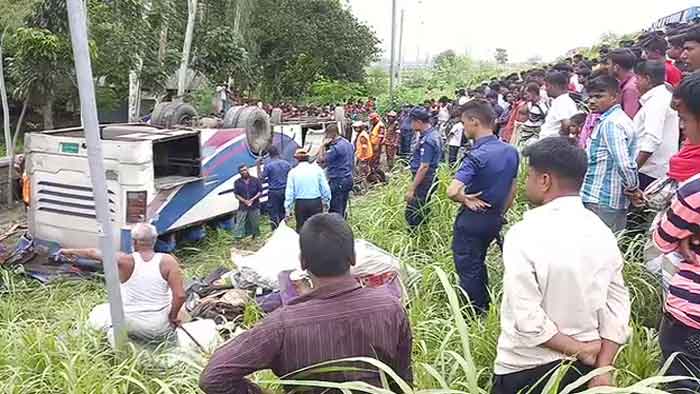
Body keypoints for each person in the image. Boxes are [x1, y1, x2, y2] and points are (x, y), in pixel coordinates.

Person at [199, 214, 413, 394]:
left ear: (302, 262)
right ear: (353, 257)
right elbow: (402, 380)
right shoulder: (391, 308)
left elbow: (213, 377)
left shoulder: (281, 324)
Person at [493, 138, 631, 394]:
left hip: (526, 367)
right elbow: (618, 307)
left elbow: (527, 319)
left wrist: (581, 350)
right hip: (584, 369)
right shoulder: (601, 232)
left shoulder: (524, 234)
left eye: (530, 175)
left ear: (545, 181)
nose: (526, 182)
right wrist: (603, 368)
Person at [446, 99, 519, 314]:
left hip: (472, 220)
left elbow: (452, 190)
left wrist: (465, 199)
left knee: (468, 266)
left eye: (465, 123)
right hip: (494, 218)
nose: (464, 128)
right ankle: (485, 305)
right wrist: (499, 212)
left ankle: (473, 313)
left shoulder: (476, 156)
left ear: (475, 122)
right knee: (479, 262)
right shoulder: (511, 151)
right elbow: (512, 189)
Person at [59, 223, 186, 343]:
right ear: (155, 240)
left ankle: (74, 336)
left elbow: (92, 252)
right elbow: (180, 296)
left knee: (98, 312)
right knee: (168, 295)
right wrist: (173, 317)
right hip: (159, 327)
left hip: (131, 323)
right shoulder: (168, 261)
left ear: (134, 242)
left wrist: (68, 251)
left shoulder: (124, 260)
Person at [653, 75, 700, 392]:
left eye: (684, 119)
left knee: (681, 383)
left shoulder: (694, 190)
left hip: (690, 314)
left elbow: (661, 238)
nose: (682, 128)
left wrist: (687, 233)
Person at [581, 75, 639, 233]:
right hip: (604, 198)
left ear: (615, 97)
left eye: (599, 96)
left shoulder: (611, 123)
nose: (592, 101)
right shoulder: (610, 120)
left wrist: (633, 189)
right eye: (590, 96)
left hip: (602, 198)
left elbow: (624, 163)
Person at [633, 60, 680, 191]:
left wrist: (632, 170)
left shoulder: (657, 101)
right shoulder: (662, 96)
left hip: (650, 171)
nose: (635, 83)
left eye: (637, 78)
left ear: (647, 78)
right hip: (653, 168)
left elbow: (652, 139)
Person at [405, 107, 442, 229]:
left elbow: (424, 166)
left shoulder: (428, 140)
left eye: (412, 122)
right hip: (426, 178)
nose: (410, 125)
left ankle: (416, 238)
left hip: (424, 180)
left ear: (419, 122)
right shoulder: (433, 134)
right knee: (421, 209)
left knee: (414, 213)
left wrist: (412, 188)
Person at [284, 149, 331, 232]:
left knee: (302, 228)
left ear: (297, 159)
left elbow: (290, 193)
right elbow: (325, 188)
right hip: (315, 202)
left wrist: (288, 209)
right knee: (317, 227)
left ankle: (303, 244)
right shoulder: (317, 170)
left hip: (301, 204)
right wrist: (326, 202)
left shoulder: (293, 172)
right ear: (308, 158)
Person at [318, 124, 354, 219]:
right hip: (349, 177)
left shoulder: (336, 148)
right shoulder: (348, 143)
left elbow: (321, 161)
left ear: (331, 135)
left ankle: (338, 228)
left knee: (335, 208)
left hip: (338, 179)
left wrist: (322, 146)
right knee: (342, 204)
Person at [540, 71, 579, 138]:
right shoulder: (562, 100)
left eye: (547, 85)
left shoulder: (562, 101)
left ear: (555, 86)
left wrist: (561, 142)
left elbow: (566, 124)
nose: (545, 89)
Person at [259, 147, 291, 229]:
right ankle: (284, 227)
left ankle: (274, 230)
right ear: (278, 153)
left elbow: (261, 178)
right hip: (285, 190)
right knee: (282, 211)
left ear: (269, 155)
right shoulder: (286, 164)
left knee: (273, 212)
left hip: (274, 191)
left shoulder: (268, 166)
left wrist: (258, 165)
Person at [609, 48, 641, 119]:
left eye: (609, 64)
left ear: (616, 67)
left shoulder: (630, 88)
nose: (607, 67)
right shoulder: (628, 83)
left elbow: (629, 118)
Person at [233, 165, 263, 239]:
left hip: (255, 205)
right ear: (239, 173)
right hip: (243, 206)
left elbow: (260, 191)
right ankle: (240, 237)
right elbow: (236, 194)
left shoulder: (255, 180)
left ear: (248, 170)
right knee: (240, 222)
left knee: (255, 222)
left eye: (245, 170)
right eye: (242, 171)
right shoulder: (237, 182)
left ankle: (256, 236)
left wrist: (252, 199)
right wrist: (245, 201)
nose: (244, 172)